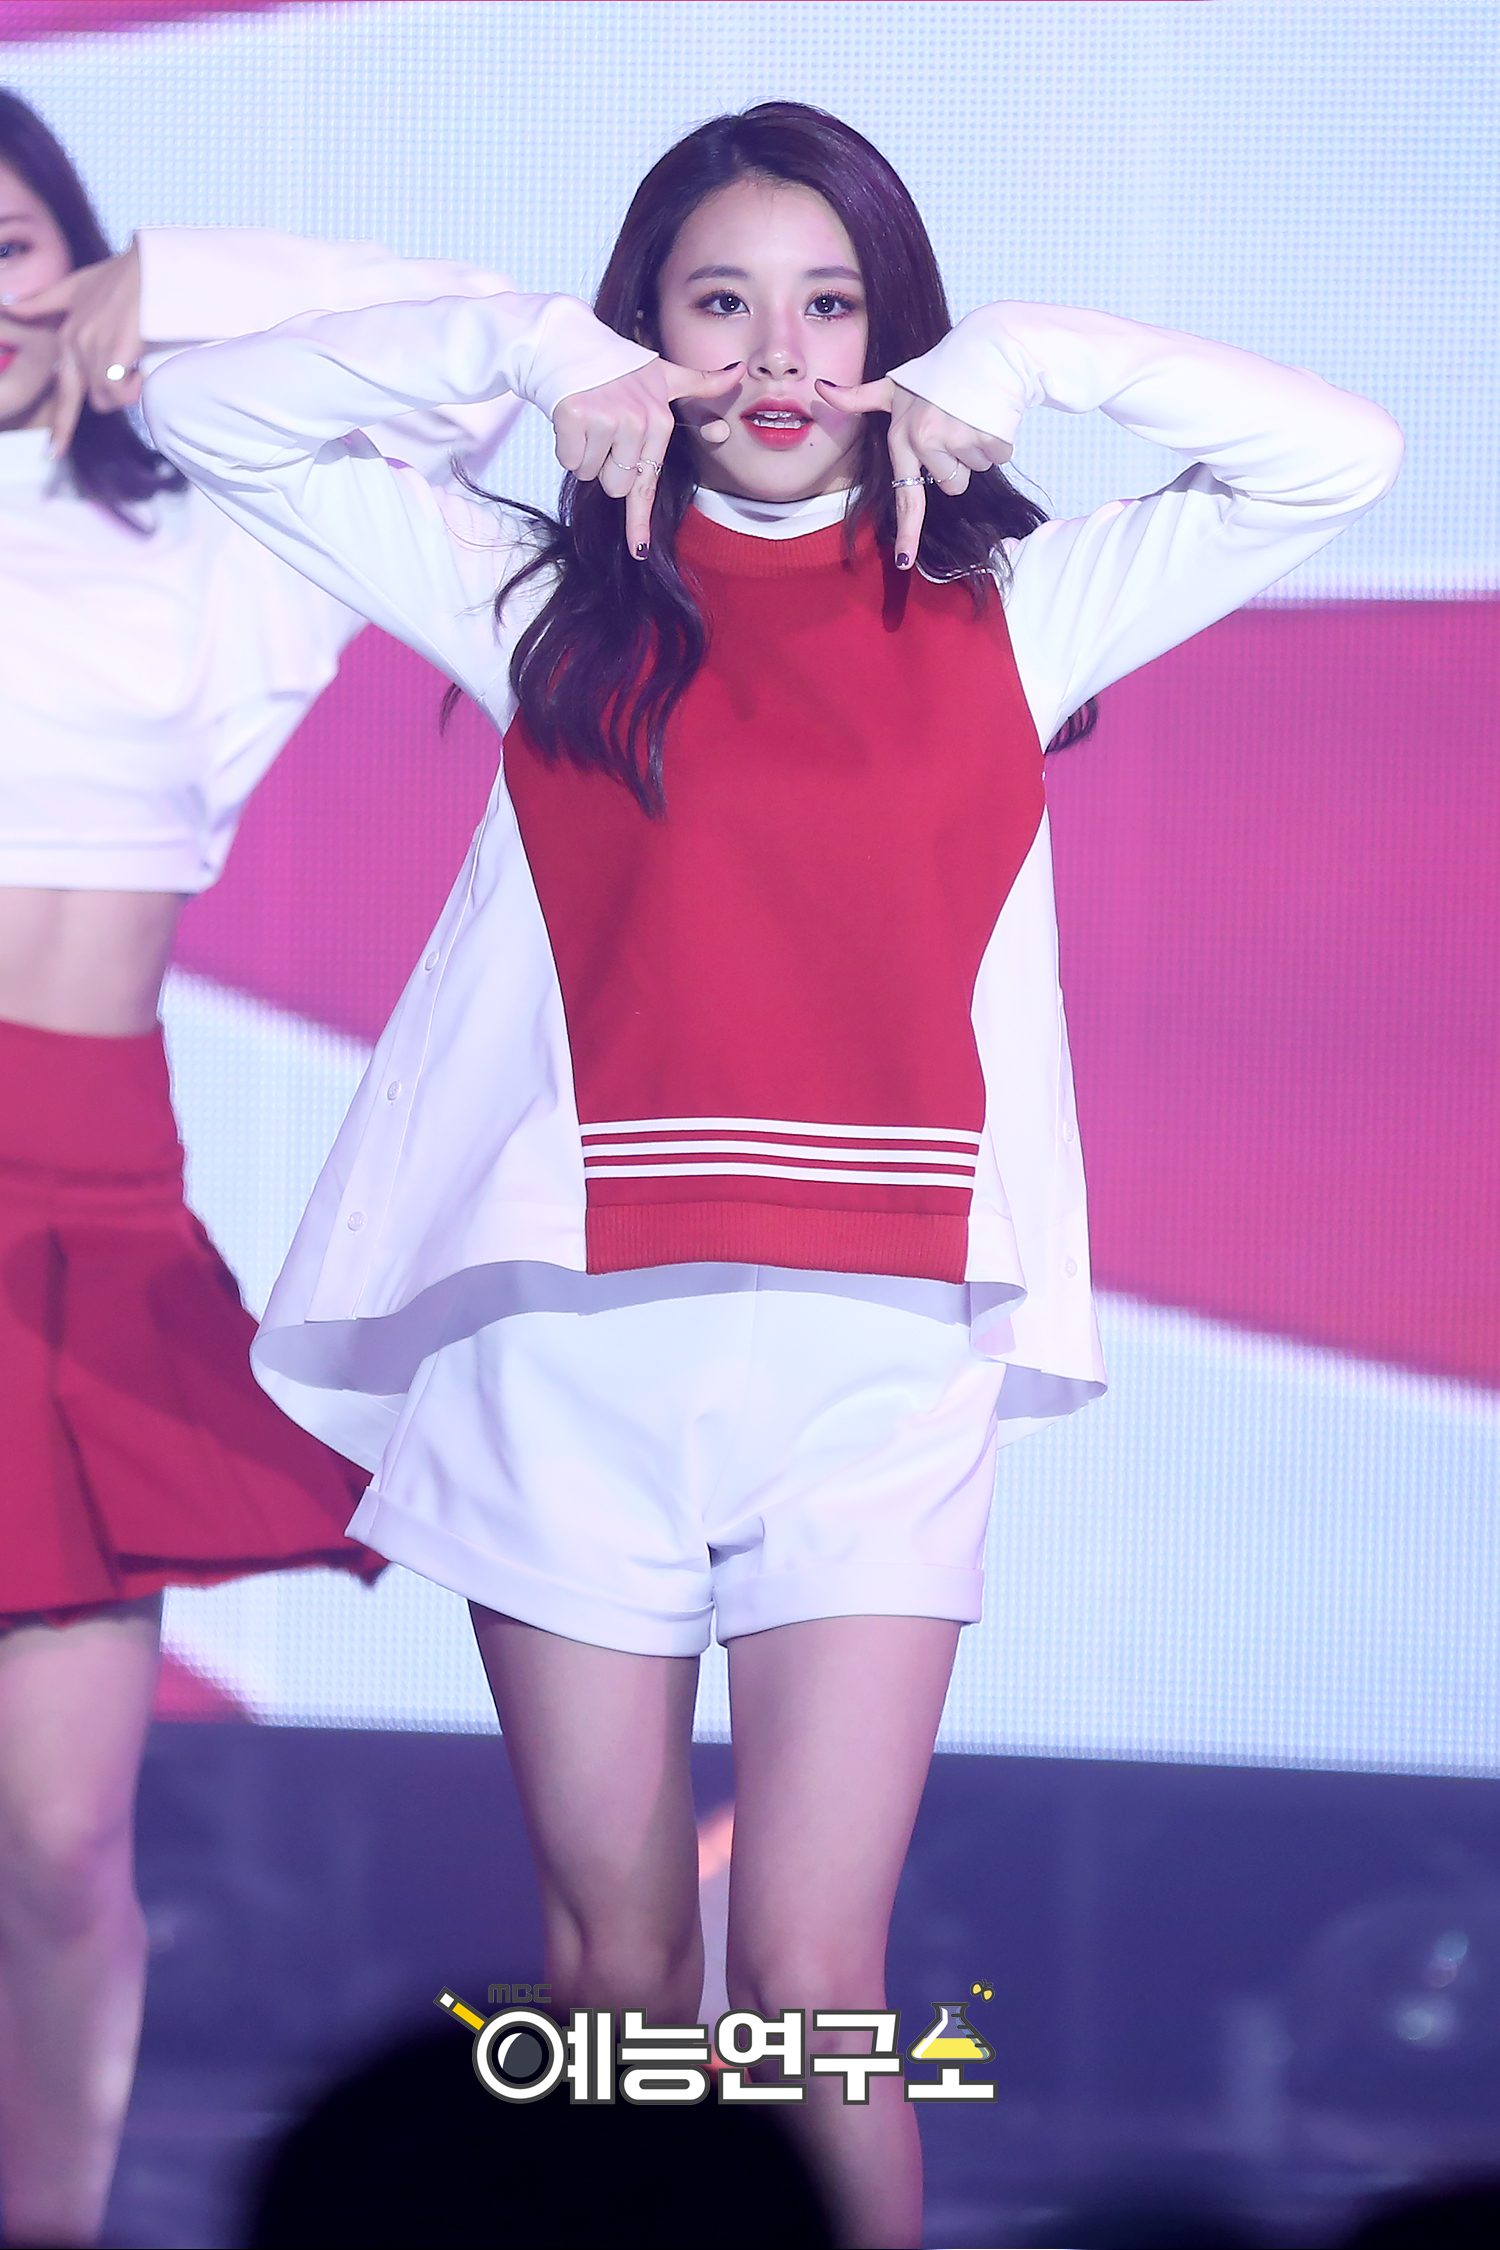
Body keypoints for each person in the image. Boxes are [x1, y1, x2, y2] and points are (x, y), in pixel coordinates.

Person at [143, 101, 1403, 2249]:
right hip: (569, 1359)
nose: (778, 355)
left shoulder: (1017, 613)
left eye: (831, 305)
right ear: (651, 331)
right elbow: (204, 412)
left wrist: (1032, 355)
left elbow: (1338, 458)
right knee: (613, 1977)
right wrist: (529, 345)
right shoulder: (533, 605)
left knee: (818, 1983)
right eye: (718, 304)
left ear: (894, 338)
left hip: (875, 1365)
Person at [0, 89, 526, 2249]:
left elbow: (486, 346)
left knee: (58, 1845)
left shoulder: (217, 518)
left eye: (10, 247)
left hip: (85, 1191)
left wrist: (191, 289)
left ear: (79, 251)